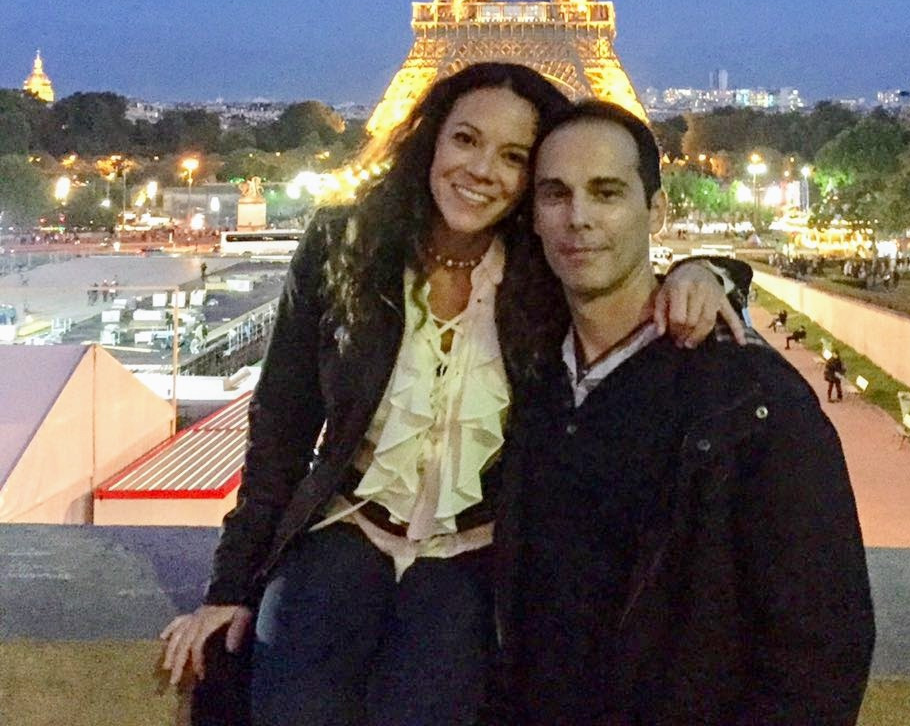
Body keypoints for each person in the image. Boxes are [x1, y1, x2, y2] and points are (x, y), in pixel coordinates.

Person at [160, 63, 742, 726]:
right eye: (466, 140)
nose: (482, 169)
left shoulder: (543, 269)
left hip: (474, 554)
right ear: (432, 140)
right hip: (343, 533)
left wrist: (710, 272)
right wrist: (228, 589)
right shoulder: (341, 245)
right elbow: (282, 429)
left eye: (514, 156)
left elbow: (631, 274)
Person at [486, 100, 875, 725]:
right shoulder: (523, 375)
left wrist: (710, 272)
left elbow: (819, 653)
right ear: (531, 215)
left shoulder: (752, 402)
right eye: (555, 194)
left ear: (656, 212)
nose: (578, 218)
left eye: (606, 192)